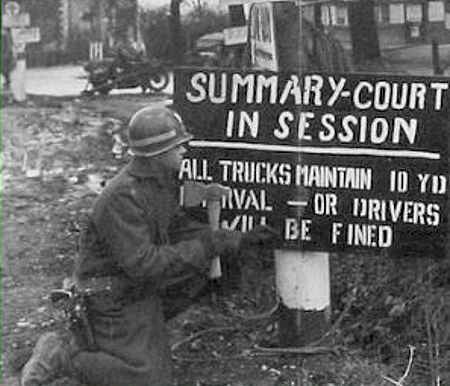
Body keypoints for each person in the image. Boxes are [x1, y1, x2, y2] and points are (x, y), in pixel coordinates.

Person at [20, 105, 274, 386]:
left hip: (135, 290)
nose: (184, 151)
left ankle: (135, 345)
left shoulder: (157, 183)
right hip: (109, 297)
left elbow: (176, 227)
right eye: (177, 146)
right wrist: (210, 244)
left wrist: (235, 237)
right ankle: (63, 355)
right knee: (147, 379)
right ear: (156, 154)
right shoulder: (121, 197)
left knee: (161, 363)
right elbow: (143, 264)